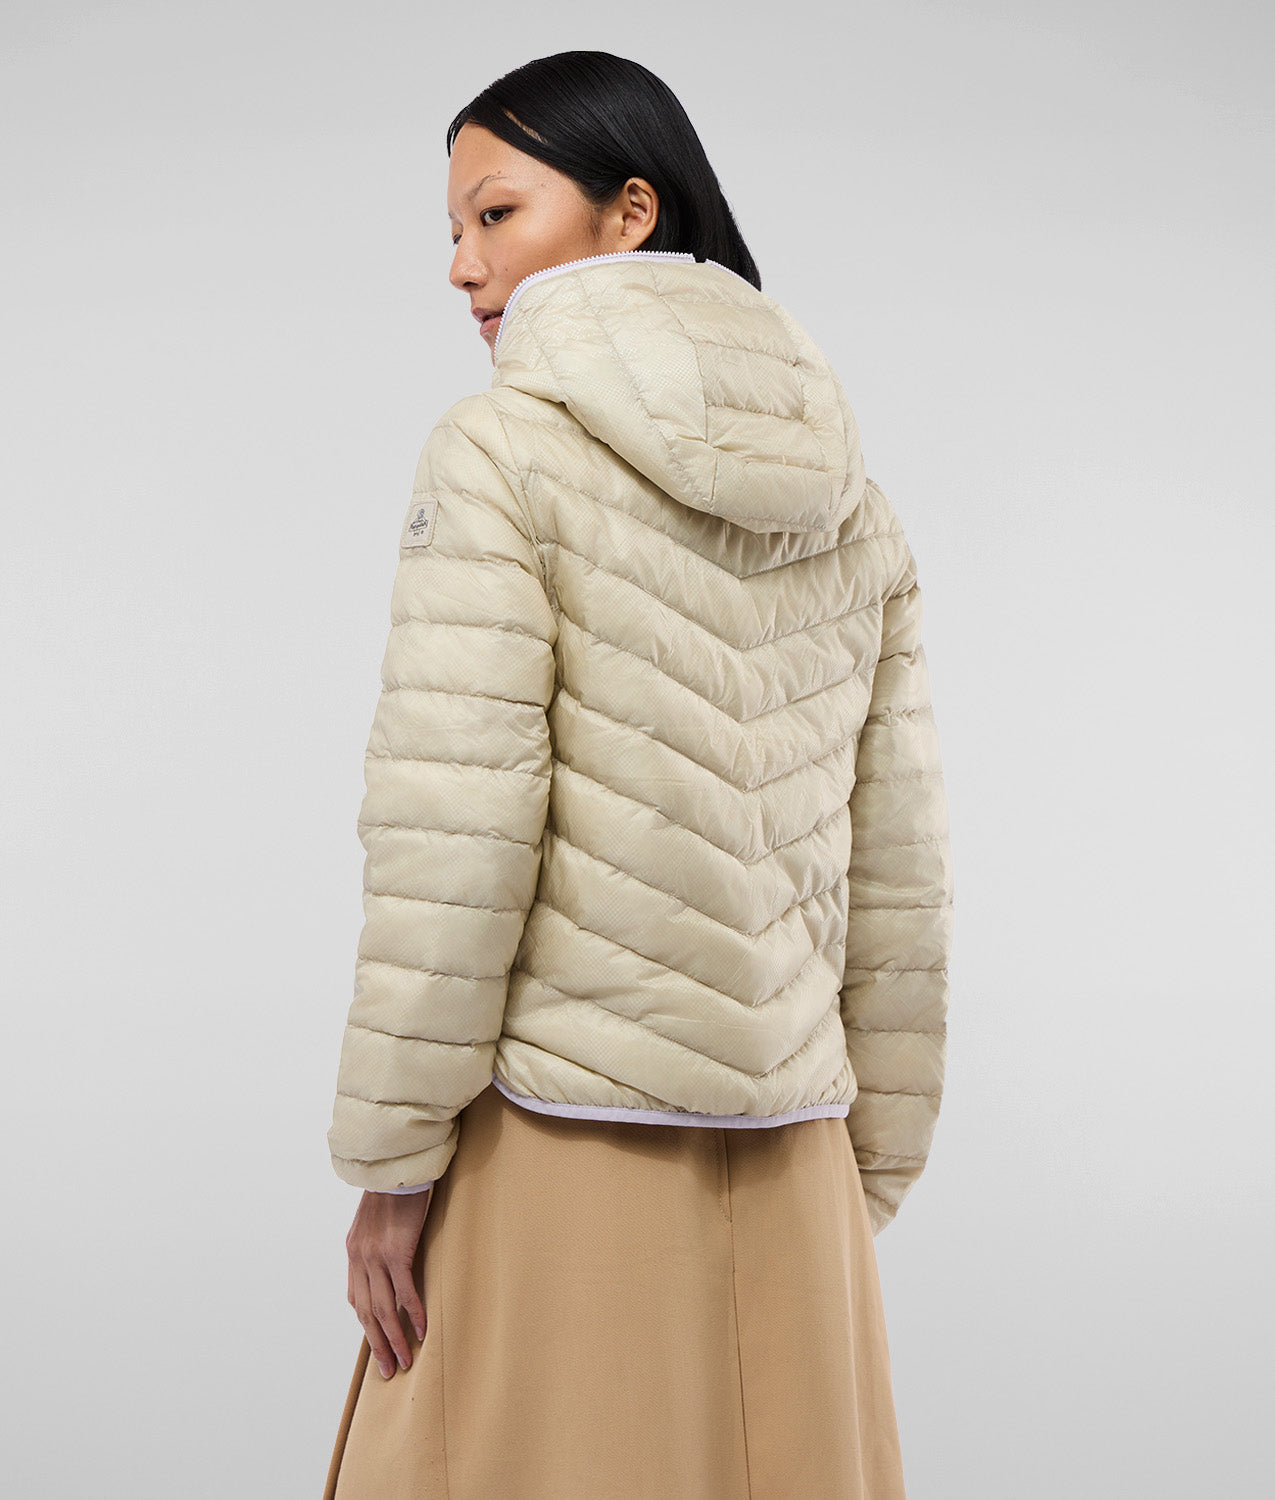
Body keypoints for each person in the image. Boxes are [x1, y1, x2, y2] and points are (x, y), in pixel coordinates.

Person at [322, 49, 954, 1500]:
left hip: (558, 1149)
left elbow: (454, 834)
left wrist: (394, 1165)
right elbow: (902, 862)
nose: (461, 265)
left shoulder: (500, 454)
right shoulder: (854, 501)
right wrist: (864, 1169)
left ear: (630, 211)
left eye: (495, 214)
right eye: (456, 229)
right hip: (799, 1164)